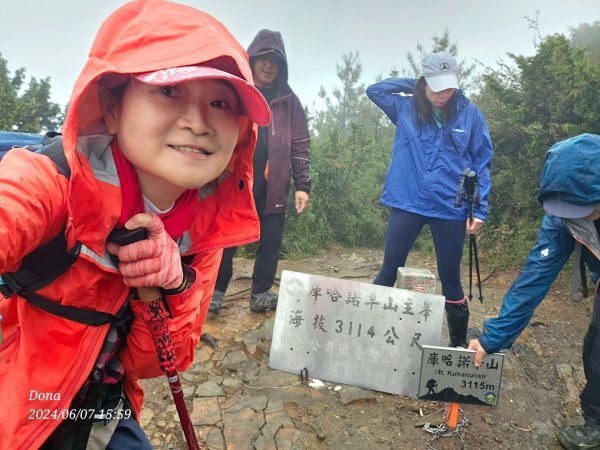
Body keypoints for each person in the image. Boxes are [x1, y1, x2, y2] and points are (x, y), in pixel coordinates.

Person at [0, 0, 270, 448]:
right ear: (110, 107)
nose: (199, 123)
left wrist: (173, 285)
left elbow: (158, 362)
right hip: (17, 397)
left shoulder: (203, 229)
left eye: (221, 101)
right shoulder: (48, 184)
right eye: (169, 91)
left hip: (102, 404)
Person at [469, 134, 600, 450]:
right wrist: (493, 339)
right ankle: (596, 423)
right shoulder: (561, 218)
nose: (571, 215)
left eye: (579, 207)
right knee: (594, 349)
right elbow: (534, 279)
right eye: (563, 208)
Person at [366, 51, 493, 347]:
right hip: (407, 202)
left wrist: (480, 209)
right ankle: (368, 332)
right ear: (423, 82)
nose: (443, 94)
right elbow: (375, 90)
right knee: (389, 270)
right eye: (436, 86)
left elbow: (482, 162)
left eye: (449, 86)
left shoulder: (470, 115)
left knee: (450, 277)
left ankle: (458, 346)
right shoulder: (404, 107)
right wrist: (417, 85)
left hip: (450, 207)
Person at [209, 29, 311, 314]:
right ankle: (216, 291)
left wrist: (303, 185)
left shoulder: (289, 101)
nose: (268, 65)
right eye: (263, 58)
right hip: (236, 180)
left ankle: (261, 292)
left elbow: (301, 144)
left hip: (274, 184)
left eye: (274, 60)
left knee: (271, 239)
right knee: (228, 236)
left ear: (282, 66)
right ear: (252, 61)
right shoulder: (236, 91)